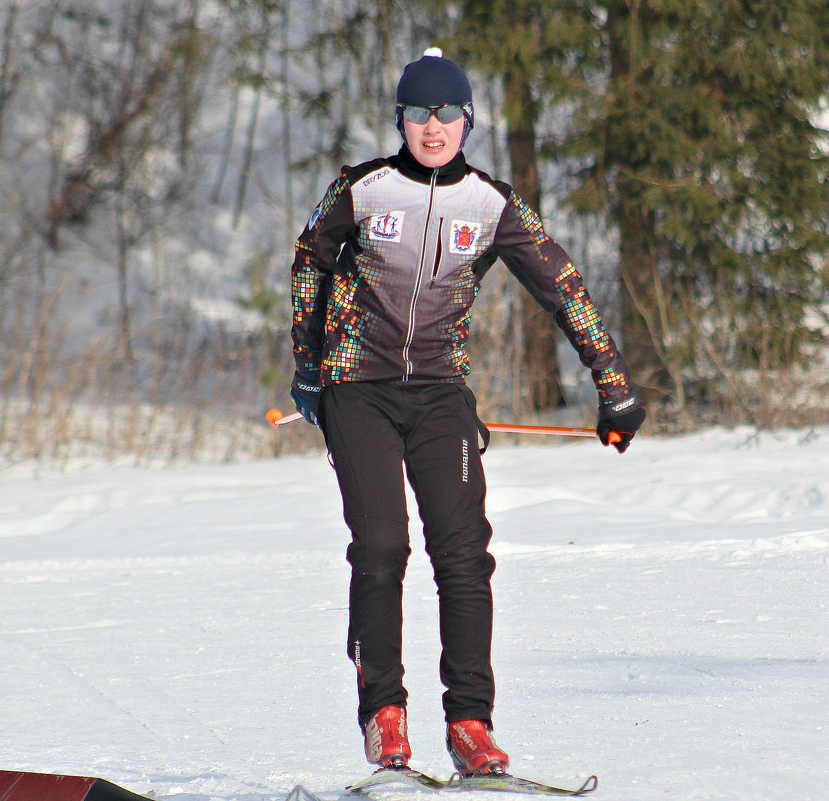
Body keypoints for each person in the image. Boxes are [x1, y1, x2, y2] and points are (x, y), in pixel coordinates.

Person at [288, 47, 645, 776]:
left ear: (468, 120)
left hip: (441, 393)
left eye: (447, 112)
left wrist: (614, 383)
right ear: (400, 120)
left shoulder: (490, 203)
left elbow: (563, 285)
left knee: (462, 550)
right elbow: (309, 264)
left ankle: (471, 722)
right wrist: (308, 363)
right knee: (383, 543)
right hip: (358, 387)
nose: (432, 126)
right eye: (418, 112)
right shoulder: (362, 190)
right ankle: (384, 713)